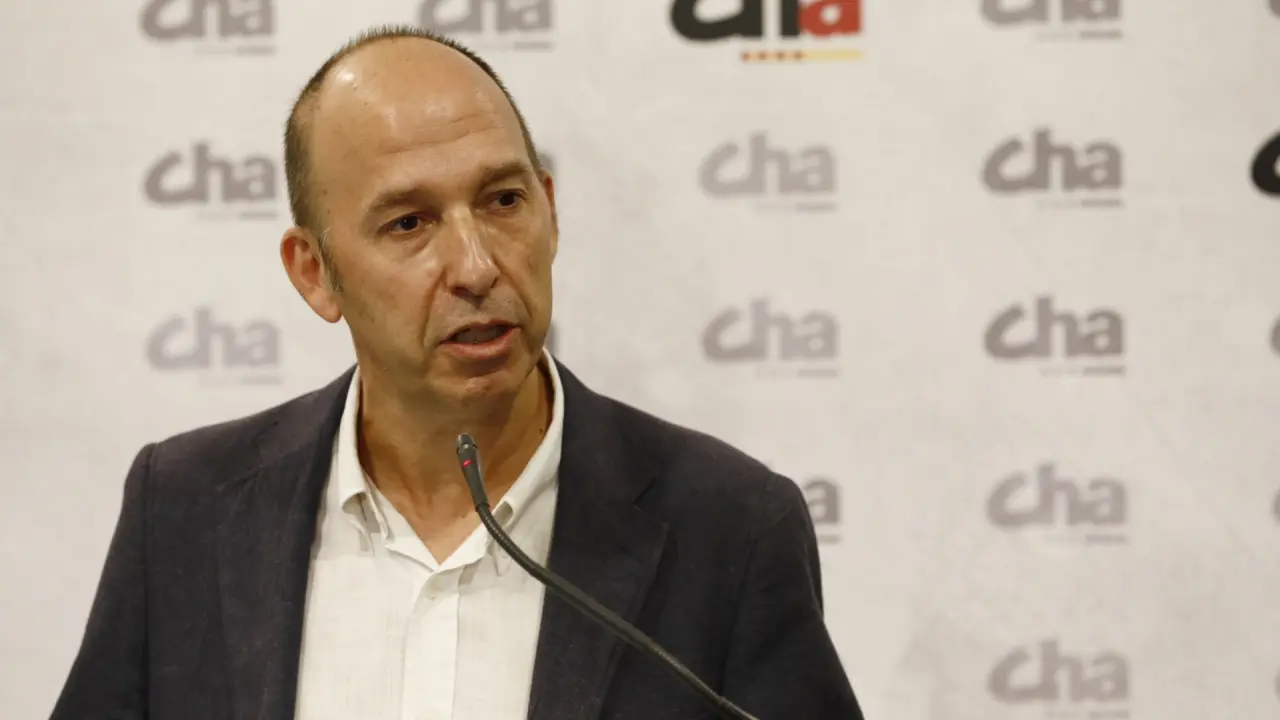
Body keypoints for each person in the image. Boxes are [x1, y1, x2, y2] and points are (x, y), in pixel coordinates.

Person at [50, 24, 864, 720]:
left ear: (550, 210)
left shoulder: (728, 527)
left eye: (504, 201)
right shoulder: (185, 509)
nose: (476, 266)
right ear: (314, 273)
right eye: (410, 223)